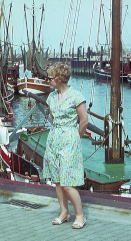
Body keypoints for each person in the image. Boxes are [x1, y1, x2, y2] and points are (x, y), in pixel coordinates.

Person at [43, 62, 88, 229]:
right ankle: (64, 212)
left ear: (59, 79)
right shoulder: (52, 97)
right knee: (57, 179)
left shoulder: (76, 96)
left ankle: (80, 215)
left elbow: (83, 121)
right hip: (54, 139)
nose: (47, 80)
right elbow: (52, 117)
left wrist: (74, 138)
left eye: (50, 78)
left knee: (68, 181)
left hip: (69, 140)